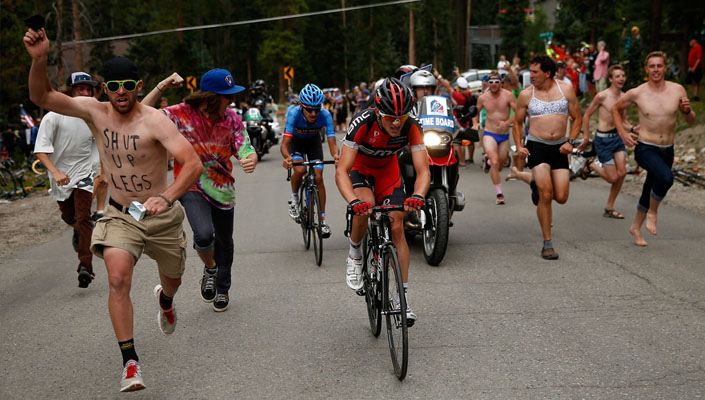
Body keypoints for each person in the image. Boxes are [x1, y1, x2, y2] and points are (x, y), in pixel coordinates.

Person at [24, 27, 202, 393]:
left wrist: (167, 197)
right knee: (118, 278)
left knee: (174, 280)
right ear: (104, 88)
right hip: (121, 214)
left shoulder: (155, 120)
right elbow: (42, 96)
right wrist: (40, 59)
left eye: (129, 84)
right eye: (114, 85)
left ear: (139, 85)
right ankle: (130, 362)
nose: (121, 91)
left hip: (161, 216)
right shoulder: (93, 112)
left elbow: (192, 163)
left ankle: (165, 302)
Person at [143, 70, 258, 313]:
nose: (232, 101)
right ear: (211, 97)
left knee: (225, 241)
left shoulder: (232, 119)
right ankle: (211, 268)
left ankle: (223, 289)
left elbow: (245, 147)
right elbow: (141, 112)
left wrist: (251, 158)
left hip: (223, 188)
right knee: (204, 234)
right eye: (227, 96)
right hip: (191, 184)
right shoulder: (180, 114)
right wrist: (162, 84)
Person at [336, 77, 429, 326]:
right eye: (391, 117)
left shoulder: (412, 125)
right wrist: (353, 200)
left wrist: (418, 195)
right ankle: (355, 252)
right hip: (360, 169)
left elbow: (423, 170)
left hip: (387, 171)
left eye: (402, 116)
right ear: (378, 111)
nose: (397, 122)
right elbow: (341, 170)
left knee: (397, 225)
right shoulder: (362, 123)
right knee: (364, 208)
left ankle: (403, 299)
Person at [611, 51, 696, 247]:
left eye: (659, 66)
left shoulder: (677, 90)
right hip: (645, 147)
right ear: (646, 69)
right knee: (666, 179)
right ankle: (653, 212)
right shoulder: (638, 92)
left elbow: (690, 121)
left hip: (667, 148)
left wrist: (687, 111)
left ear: (665, 68)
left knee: (651, 186)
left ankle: (635, 228)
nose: (656, 70)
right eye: (652, 66)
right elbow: (615, 109)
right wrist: (623, 133)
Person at [33, 71, 101, 288]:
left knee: (84, 218)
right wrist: (55, 172)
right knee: (70, 217)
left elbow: (101, 143)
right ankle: (79, 232)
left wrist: (102, 170)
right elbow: (41, 151)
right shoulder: (53, 116)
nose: (86, 92)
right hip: (60, 176)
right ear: (70, 92)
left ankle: (85, 267)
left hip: (84, 173)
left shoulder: (92, 116)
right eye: (81, 89)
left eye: (89, 89)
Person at [512, 55, 583, 260]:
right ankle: (547, 243)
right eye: (530, 72)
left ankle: (534, 182)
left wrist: (571, 141)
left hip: (560, 147)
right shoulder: (526, 95)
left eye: (535, 72)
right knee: (546, 195)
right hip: (537, 146)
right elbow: (517, 123)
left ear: (547, 73)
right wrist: (519, 146)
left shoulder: (565, 90)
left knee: (561, 197)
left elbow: (577, 117)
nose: (531, 75)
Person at [578, 64, 637, 219]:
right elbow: (587, 115)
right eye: (617, 76)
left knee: (622, 173)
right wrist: (585, 137)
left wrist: (633, 129)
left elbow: (623, 121)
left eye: (623, 76)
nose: (621, 79)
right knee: (612, 178)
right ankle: (591, 164)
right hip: (603, 140)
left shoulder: (625, 97)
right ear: (610, 79)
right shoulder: (602, 96)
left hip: (617, 138)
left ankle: (609, 207)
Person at [281, 83, 340, 238]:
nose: (313, 113)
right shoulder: (294, 114)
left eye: (317, 109)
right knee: (300, 170)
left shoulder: (325, 115)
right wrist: (288, 158)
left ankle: (322, 220)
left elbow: (332, 141)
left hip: (313, 143)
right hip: (296, 143)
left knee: (319, 177)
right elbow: (284, 145)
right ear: (302, 106)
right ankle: (294, 199)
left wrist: (336, 156)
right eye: (309, 109)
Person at [473, 73, 517, 205]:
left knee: (500, 164)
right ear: (487, 83)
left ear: (501, 83)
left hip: (504, 135)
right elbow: (475, 111)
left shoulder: (508, 95)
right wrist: (475, 123)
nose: (494, 85)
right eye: (491, 82)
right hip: (489, 133)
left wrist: (507, 122)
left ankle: (488, 163)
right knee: (495, 161)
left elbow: (519, 113)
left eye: (496, 82)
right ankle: (499, 194)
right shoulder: (483, 97)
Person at [437, 72, 476, 165]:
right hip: (466, 118)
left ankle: (461, 161)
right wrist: (459, 75)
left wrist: (438, 75)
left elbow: (447, 86)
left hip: (458, 119)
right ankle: (470, 158)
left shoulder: (458, 96)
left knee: (458, 142)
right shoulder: (468, 93)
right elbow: (464, 85)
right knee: (469, 140)